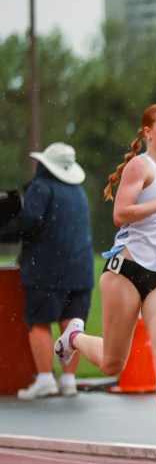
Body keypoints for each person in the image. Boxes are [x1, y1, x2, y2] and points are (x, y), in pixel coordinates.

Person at [52, 104, 156, 463]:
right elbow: (120, 214)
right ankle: (74, 338)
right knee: (114, 364)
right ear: (147, 132)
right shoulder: (139, 167)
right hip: (125, 271)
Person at [0, 143, 93, 399]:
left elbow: (29, 222)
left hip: (47, 270)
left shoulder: (42, 188)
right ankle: (68, 380)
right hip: (82, 270)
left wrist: (4, 230)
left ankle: (44, 379)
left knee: (39, 323)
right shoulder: (78, 192)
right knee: (72, 326)